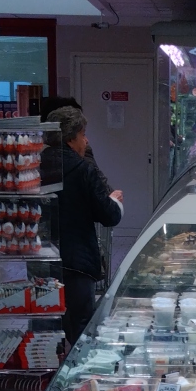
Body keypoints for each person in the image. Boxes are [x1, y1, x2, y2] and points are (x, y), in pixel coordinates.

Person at [56, 106, 122, 349]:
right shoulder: (82, 169)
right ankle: (76, 370)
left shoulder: (36, 164)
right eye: (83, 135)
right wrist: (113, 201)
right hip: (77, 261)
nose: (86, 141)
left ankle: (52, 367)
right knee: (80, 325)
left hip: (43, 262)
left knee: (48, 326)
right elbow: (108, 215)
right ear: (71, 138)